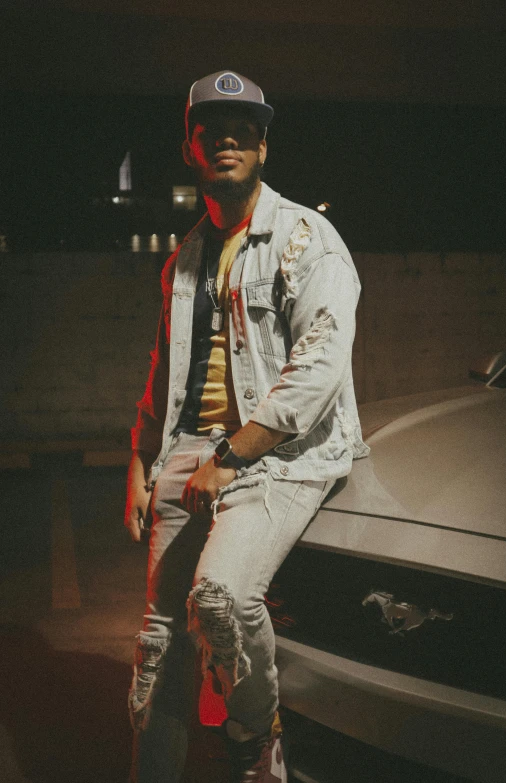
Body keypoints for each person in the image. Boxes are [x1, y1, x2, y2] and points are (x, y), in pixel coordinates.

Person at [124, 70, 369, 783]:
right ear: (190, 147)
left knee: (221, 597)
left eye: (245, 128)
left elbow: (320, 364)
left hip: (280, 455)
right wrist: (141, 459)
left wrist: (231, 454)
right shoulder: (186, 257)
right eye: (211, 128)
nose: (228, 137)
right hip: (187, 453)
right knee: (158, 646)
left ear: (263, 146)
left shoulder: (306, 239)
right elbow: (163, 367)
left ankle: (257, 742)